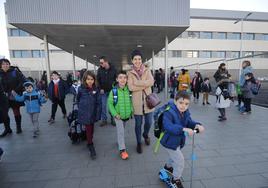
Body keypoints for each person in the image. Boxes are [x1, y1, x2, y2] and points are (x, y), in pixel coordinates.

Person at [160, 92, 205, 188]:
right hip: (169, 141)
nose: (183, 106)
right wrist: (183, 129)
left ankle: (167, 168)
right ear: (175, 101)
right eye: (181, 103)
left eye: (186, 104)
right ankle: (175, 179)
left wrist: (197, 125)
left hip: (177, 141)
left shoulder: (185, 112)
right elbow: (168, 126)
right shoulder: (169, 112)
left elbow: (189, 122)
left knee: (174, 156)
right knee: (180, 160)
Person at [127, 50, 154, 154]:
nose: (137, 61)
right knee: (138, 124)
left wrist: (137, 83)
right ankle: (138, 142)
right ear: (132, 61)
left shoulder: (147, 70)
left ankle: (145, 134)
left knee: (149, 122)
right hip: (137, 103)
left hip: (149, 102)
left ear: (141, 60)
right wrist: (144, 84)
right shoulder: (130, 73)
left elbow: (151, 82)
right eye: (135, 59)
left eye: (139, 59)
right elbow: (130, 87)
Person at [108, 71, 133, 160]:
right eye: (120, 77)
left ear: (127, 79)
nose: (123, 79)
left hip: (126, 116)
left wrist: (131, 111)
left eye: (124, 77)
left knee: (122, 130)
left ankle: (119, 141)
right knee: (121, 131)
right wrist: (115, 114)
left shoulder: (129, 90)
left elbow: (131, 101)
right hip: (118, 116)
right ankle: (122, 150)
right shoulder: (114, 91)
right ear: (117, 79)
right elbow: (110, 104)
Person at [77, 71, 101, 159]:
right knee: (88, 128)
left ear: (94, 80)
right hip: (84, 112)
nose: (90, 81)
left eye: (92, 79)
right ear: (85, 80)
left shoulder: (96, 89)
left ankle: (89, 140)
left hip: (93, 113)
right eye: (88, 79)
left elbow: (99, 102)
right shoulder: (81, 89)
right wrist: (81, 109)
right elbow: (78, 99)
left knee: (92, 128)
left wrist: (98, 114)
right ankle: (90, 144)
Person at [0, 58, 26, 135]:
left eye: (7, 64)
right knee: (4, 113)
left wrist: (15, 90)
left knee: (16, 111)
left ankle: (18, 127)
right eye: (3, 64)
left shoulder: (15, 72)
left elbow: (23, 81)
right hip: (3, 96)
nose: (5, 65)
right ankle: (7, 129)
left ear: (9, 64)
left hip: (15, 94)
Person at [97, 56, 117, 126]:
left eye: (101, 62)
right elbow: (97, 80)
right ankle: (104, 120)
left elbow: (116, 79)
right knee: (103, 106)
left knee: (112, 106)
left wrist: (115, 87)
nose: (100, 64)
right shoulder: (100, 70)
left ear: (106, 62)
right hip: (103, 92)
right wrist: (100, 88)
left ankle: (113, 119)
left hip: (112, 91)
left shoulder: (113, 69)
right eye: (100, 63)